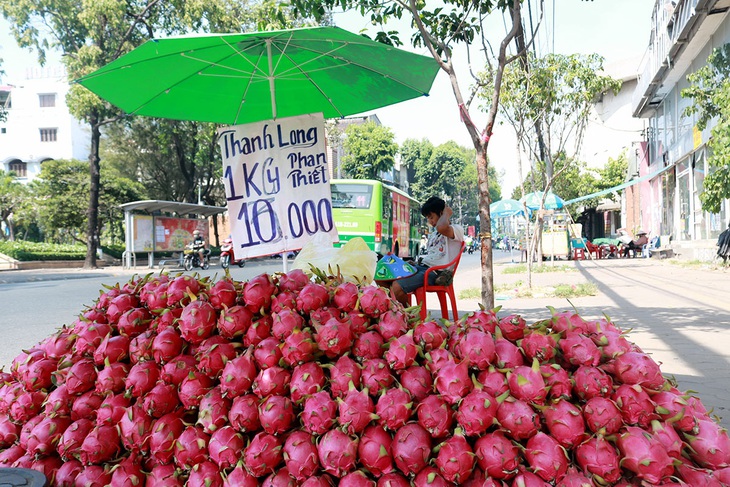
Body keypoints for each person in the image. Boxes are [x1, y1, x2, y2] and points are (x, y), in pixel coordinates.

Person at [390, 197, 464, 306]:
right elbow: (431, 257)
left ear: (441, 213)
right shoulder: (434, 235)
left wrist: (447, 213)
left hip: (435, 273)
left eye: (431, 217)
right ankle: (401, 312)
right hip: (423, 268)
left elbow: (442, 227)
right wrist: (415, 264)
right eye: (428, 218)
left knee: (396, 286)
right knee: (385, 276)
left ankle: (406, 317)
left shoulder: (456, 229)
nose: (430, 222)